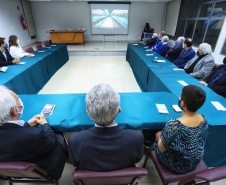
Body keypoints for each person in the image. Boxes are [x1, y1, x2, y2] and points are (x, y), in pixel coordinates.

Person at [68, 83, 144, 172]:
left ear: (88, 113)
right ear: (119, 110)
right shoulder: (136, 138)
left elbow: (75, 163)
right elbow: (138, 159)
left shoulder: (74, 140)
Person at [0, 86, 66, 180]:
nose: (20, 99)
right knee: (59, 136)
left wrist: (26, 125)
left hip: (10, 170)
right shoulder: (35, 135)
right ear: (14, 110)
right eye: (18, 98)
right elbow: (52, 141)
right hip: (44, 168)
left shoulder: (31, 134)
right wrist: (45, 124)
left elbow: (11, 134)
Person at [152, 85, 208, 174]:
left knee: (157, 136)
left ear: (182, 104)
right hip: (195, 162)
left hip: (176, 166)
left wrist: (159, 136)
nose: (179, 98)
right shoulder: (204, 119)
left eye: (180, 97)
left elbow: (162, 149)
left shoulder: (174, 125)